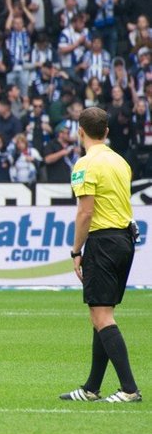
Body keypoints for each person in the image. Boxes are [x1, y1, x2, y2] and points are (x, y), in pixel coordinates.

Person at [60, 107, 142, 403]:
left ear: (79, 130)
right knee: (101, 313)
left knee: (102, 316)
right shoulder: (120, 161)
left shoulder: (85, 163)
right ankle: (91, 388)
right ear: (106, 132)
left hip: (103, 241)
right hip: (125, 239)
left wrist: (76, 250)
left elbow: (86, 211)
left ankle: (130, 389)